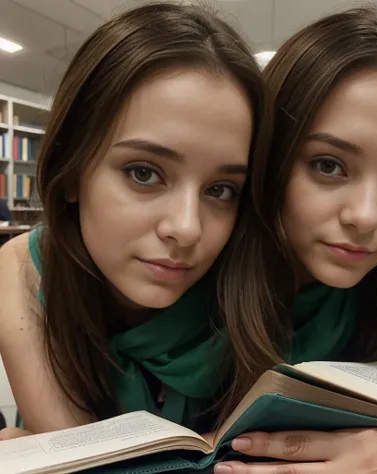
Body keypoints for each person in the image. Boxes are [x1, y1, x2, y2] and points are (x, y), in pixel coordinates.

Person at [214, 6, 377, 474]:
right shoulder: (182, 273)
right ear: (270, 157)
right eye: (329, 165)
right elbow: (34, 256)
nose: (366, 218)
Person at [0, 2, 271, 436]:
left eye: (220, 190)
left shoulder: (260, 283)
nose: (187, 228)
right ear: (73, 171)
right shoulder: (28, 271)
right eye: (144, 173)